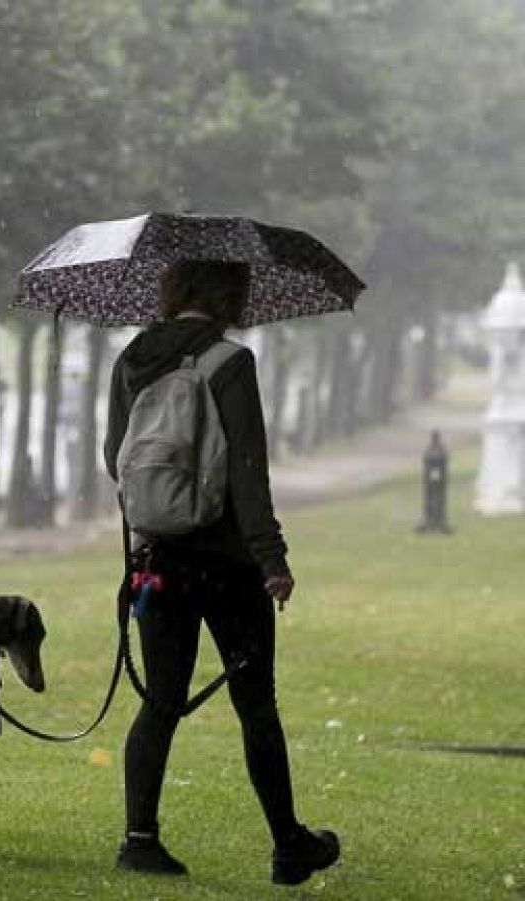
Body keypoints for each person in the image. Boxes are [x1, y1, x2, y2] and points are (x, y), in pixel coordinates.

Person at [103, 260, 339, 885]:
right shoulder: (230, 363)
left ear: (174, 291)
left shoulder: (132, 359)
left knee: (160, 700)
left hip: (158, 559)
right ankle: (289, 846)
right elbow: (246, 472)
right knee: (256, 701)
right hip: (228, 563)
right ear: (226, 292)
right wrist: (272, 558)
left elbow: (114, 458)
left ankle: (139, 839)